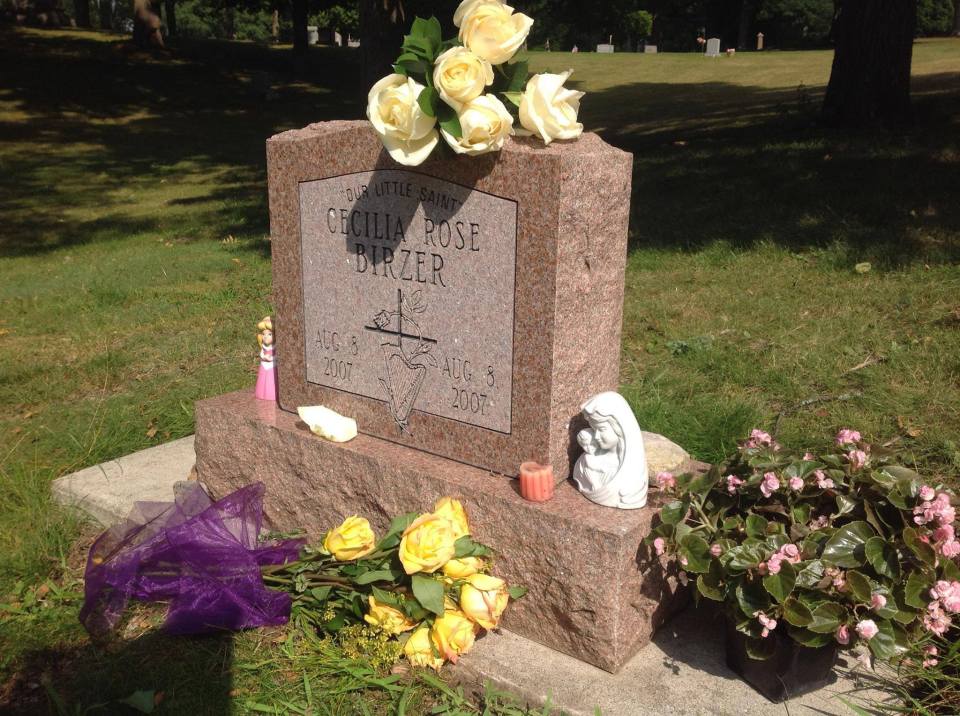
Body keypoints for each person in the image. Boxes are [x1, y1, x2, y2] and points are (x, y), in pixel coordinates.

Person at [571, 392, 648, 509]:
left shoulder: (633, 474)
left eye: (601, 429)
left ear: (620, 429)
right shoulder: (585, 462)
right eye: (594, 429)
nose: (596, 436)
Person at [254, 316, 277, 401]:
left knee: (271, 381)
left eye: (269, 334)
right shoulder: (263, 346)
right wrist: (264, 356)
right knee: (262, 380)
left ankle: (272, 394)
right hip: (264, 365)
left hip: (272, 366)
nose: (265, 337)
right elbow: (261, 353)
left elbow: (277, 355)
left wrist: (272, 358)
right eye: (263, 334)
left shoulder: (275, 347)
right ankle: (260, 393)